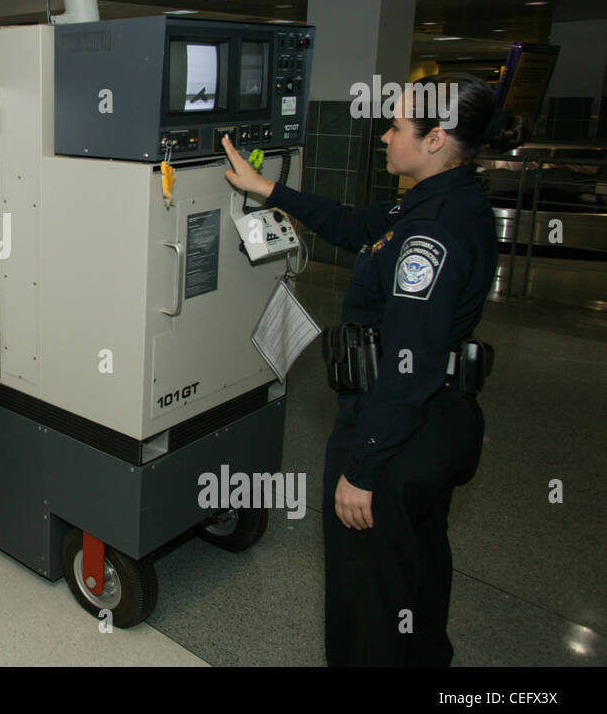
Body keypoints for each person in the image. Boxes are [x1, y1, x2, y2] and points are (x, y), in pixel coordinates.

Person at [222, 73, 525, 667]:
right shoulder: (446, 199)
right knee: (413, 566)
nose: (384, 136)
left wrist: (363, 470)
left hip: (396, 432)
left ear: (436, 138)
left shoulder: (431, 235)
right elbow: (356, 225)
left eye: (396, 126)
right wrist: (270, 190)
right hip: (440, 421)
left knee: (366, 597)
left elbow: (409, 365)